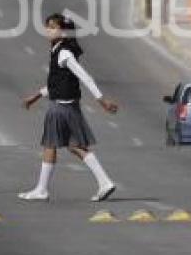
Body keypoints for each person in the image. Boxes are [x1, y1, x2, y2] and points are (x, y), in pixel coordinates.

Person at [19, 13, 119, 202]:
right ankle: (105, 182)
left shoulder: (64, 53)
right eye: (47, 26)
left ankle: (41, 190)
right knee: (75, 146)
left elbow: (85, 77)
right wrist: (37, 96)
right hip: (69, 106)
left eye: (53, 27)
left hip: (60, 108)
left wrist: (102, 100)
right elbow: (59, 82)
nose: (48, 30)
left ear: (63, 32)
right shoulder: (59, 50)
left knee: (50, 145)